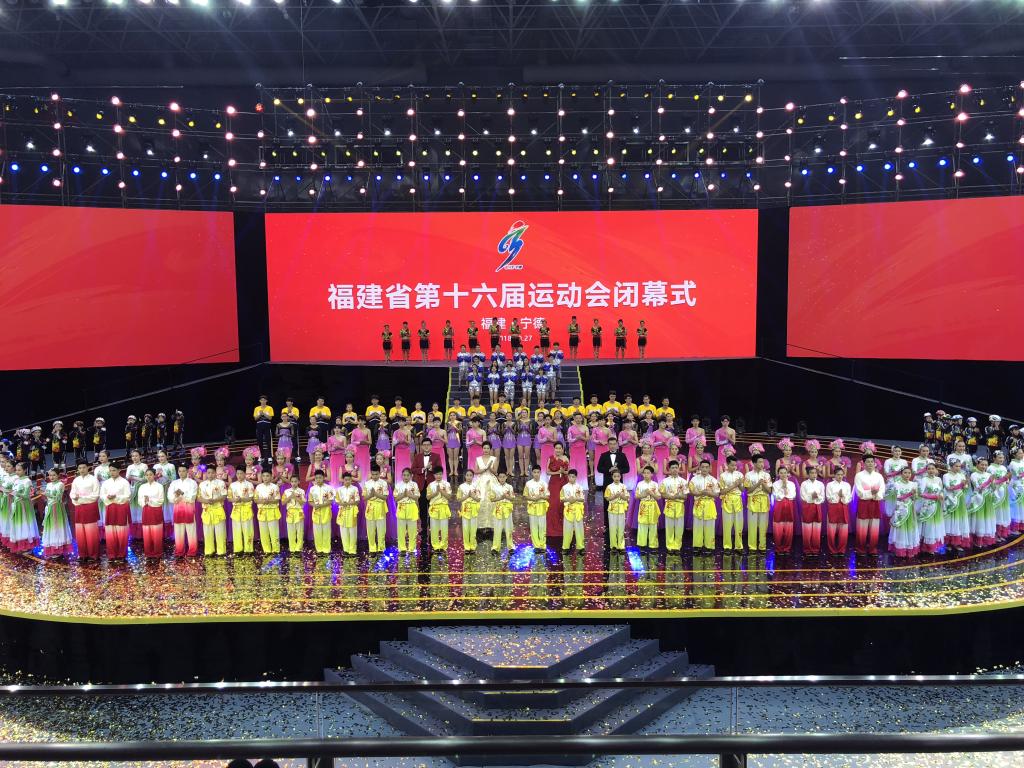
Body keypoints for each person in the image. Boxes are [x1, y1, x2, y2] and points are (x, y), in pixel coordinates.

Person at [853, 456, 885, 554]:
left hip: (875, 503)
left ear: (875, 464)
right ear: (863, 464)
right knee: (862, 528)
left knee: (874, 528)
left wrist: (876, 495)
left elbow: (882, 490)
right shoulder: (859, 476)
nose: (870, 463)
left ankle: (872, 549)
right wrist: (872, 493)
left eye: (872, 462)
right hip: (864, 504)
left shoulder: (879, 476)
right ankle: (860, 549)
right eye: (868, 462)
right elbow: (860, 492)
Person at [69, 460, 101, 559]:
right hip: (79, 508)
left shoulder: (93, 479)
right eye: (80, 468)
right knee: (80, 532)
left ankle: (93, 554)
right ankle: (83, 554)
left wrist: (81, 499)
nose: (82, 470)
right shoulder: (76, 480)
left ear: (88, 468)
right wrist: (74, 498)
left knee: (91, 533)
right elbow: (72, 493)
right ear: (77, 469)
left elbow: (96, 495)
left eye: (84, 467)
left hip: (90, 507)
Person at [888, 466, 920, 559]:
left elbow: (915, 498)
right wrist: (910, 493)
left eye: (909, 473)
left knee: (910, 528)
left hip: (910, 508)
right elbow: (899, 497)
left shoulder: (914, 484)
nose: (907, 475)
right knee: (900, 528)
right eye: (905, 473)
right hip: (900, 509)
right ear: (901, 474)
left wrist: (914, 495)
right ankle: (899, 548)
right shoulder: (897, 484)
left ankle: (909, 548)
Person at [100, 464, 130, 560]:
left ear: (119, 470)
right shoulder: (106, 483)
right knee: (110, 532)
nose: (112, 472)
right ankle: (112, 554)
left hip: (121, 508)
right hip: (110, 508)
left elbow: (127, 496)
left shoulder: (124, 482)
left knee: (122, 532)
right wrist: (108, 497)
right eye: (110, 470)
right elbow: (102, 495)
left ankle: (122, 554)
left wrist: (115, 498)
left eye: (114, 470)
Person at [41, 468, 73, 558]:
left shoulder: (60, 484)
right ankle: (52, 547)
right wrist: (45, 498)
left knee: (57, 527)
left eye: (54, 475)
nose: (51, 477)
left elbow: (58, 498)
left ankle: (59, 548)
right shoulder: (48, 485)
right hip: (50, 507)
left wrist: (46, 494)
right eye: (50, 475)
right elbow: (47, 498)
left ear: (58, 475)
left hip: (57, 508)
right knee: (51, 528)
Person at [168, 465, 199, 557]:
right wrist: (174, 499)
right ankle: (179, 550)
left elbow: (192, 497)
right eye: (180, 471)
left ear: (187, 471)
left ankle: (192, 551)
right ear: (178, 472)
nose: (181, 473)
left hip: (189, 509)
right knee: (178, 531)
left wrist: (181, 496)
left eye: (183, 471)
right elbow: (170, 495)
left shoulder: (192, 482)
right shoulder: (174, 483)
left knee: (191, 531)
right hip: (177, 509)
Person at [199, 467, 229, 557]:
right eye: (208, 473)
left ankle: (221, 551)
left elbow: (224, 495)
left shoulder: (221, 483)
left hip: (218, 509)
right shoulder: (202, 484)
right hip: (207, 510)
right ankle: (209, 551)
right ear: (206, 474)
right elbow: (198, 497)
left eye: (212, 472)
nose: (210, 474)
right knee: (207, 531)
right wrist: (206, 501)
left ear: (215, 473)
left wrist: (215, 500)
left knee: (220, 531)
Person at [943, 457, 971, 551]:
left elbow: (965, 487)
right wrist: (961, 485)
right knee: (950, 520)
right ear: (951, 466)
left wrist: (967, 483)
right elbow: (948, 488)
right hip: (950, 500)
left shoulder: (961, 475)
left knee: (958, 520)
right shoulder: (946, 476)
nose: (958, 468)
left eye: (959, 466)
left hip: (959, 498)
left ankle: (956, 542)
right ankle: (948, 543)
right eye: (956, 466)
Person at [661, 459, 689, 551]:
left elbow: (685, 496)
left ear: (679, 468)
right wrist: (670, 497)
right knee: (669, 527)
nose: (674, 469)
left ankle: (677, 546)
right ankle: (669, 546)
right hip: (669, 505)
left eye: (676, 467)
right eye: (672, 468)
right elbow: (662, 494)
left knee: (679, 528)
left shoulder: (683, 482)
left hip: (679, 506)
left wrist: (678, 496)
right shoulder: (665, 481)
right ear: (669, 469)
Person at [137, 467, 165, 558]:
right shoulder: (142, 487)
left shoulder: (159, 486)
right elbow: (139, 500)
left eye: (150, 475)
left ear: (154, 475)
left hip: (156, 511)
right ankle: (148, 552)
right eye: (147, 475)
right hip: (146, 510)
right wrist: (145, 501)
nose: (148, 476)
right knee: (147, 532)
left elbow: (161, 500)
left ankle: (157, 552)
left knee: (157, 533)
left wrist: (150, 500)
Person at [918, 462, 945, 555]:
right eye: (929, 469)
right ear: (926, 470)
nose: (931, 470)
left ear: (936, 470)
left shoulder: (938, 479)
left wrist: (941, 496)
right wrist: (933, 497)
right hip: (928, 505)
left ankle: (934, 545)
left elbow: (941, 491)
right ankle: (928, 546)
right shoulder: (924, 479)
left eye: (933, 468)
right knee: (929, 526)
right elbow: (920, 493)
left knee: (935, 525)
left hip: (937, 505)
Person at [719, 455, 745, 551]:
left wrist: (740, 484)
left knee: (739, 525)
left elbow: (742, 490)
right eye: (732, 465)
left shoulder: (740, 475)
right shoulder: (722, 476)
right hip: (727, 501)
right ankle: (727, 546)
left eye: (735, 465)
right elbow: (722, 491)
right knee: (727, 525)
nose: (734, 467)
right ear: (727, 464)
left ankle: (739, 546)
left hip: (738, 501)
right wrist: (734, 485)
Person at [825, 465, 852, 554]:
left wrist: (843, 497)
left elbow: (849, 498)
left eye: (841, 474)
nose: (840, 476)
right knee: (831, 531)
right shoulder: (829, 485)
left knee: (843, 531)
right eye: (838, 474)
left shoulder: (847, 485)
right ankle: (832, 550)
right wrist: (837, 496)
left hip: (843, 508)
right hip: (833, 508)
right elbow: (829, 498)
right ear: (834, 475)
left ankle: (841, 550)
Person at [229, 467, 256, 554]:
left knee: (248, 529)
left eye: (241, 473)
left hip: (246, 509)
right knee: (236, 530)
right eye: (238, 474)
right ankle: (238, 549)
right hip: (236, 509)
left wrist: (242, 499)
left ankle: (249, 549)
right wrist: (234, 500)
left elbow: (252, 497)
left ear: (244, 474)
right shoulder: (232, 485)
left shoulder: (249, 484)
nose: (239, 475)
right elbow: (229, 498)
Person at [473, 443, 500, 531]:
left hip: (491, 480)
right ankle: (481, 523)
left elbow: (495, 472)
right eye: (484, 448)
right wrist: (485, 469)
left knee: (491, 500)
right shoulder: (478, 459)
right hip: (480, 480)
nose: (486, 450)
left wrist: (489, 468)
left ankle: (492, 523)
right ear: (482, 449)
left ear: (490, 449)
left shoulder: (494, 459)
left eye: (488, 448)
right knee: (481, 500)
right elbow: (475, 471)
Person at [363, 466, 390, 553]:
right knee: (370, 530)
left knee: (381, 529)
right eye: (373, 474)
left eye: (376, 474)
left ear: (379, 473)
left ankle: (381, 547)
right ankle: (372, 548)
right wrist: (371, 495)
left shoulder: (384, 483)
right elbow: (364, 498)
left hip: (380, 506)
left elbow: (385, 497)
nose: (374, 476)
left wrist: (375, 494)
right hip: (370, 507)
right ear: (371, 473)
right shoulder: (367, 483)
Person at [634, 465, 662, 550]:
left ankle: (653, 545)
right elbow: (636, 496)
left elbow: (658, 497)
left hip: (653, 505)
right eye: (644, 473)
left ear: (652, 474)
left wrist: (651, 493)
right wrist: (644, 494)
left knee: (653, 525)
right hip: (643, 505)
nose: (646, 475)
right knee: (642, 524)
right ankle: (642, 545)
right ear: (642, 474)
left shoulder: (655, 484)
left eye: (648, 473)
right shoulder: (640, 484)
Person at [799, 465, 825, 555]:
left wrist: (817, 497)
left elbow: (823, 497)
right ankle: (807, 549)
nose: (814, 475)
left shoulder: (820, 484)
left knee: (817, 529)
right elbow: (803, 496)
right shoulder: (804, 484)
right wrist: (811, 497)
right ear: (808, 474)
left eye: (815, 473)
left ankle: (816, 549)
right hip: (808, 507)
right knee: (807, 529)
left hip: (817, 506)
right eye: (812, 473)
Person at [393, 467, 420, 553]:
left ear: (411, 476)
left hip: (411, 507)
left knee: (412, 530)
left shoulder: (414, 485)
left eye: (408, 475)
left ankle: (412, 548)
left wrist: (409, 495)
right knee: (401, 530)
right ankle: (402, 548)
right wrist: (403, 495)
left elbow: (417, 497)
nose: (406, 477)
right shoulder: (398, 485)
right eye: (404, 475)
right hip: (401, 507)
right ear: (402, 476)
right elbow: (396, 499)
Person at [426, 468, 453, 552]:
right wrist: (435, 493)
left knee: (444, 529)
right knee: (434, 529)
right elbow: (427, 497)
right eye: (437, 474)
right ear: (434, 475)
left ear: (442, 474)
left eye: (440, 474)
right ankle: (436, 546)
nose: (438, 476)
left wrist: (441, 491)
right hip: (434, 508)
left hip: (443, 508)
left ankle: (443, 546)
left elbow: (449, 497)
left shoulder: (447, 484)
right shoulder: (430, 485)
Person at [771, 466, 797, 554]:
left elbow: (792, 496)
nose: (783, 475)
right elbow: (776, 496)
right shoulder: (775, 484)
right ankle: (778, 549)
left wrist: (785, 489)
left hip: (789, 507)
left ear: (787, 474)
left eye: (785, 473)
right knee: (778, 530)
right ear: (778, 474)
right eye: (781, 473)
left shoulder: (792, 484)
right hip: (779, 507)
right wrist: (783, 488)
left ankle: (787, 548)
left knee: (789, 529)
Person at [559, 469, 586, 551]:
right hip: (568, 510)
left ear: (576, 477)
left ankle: (581, 547)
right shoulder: (564, 487)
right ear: (568, 477)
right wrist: (568, 499)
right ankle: (565, 547)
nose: (571, 478)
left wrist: (575, 499)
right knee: (567, 529)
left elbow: (582, 499)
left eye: (573, 477)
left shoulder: (579, 487)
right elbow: (561, 499)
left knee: (579, 529)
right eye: (570, 477)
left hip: (577, 510)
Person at [988, 451, 1012, 541]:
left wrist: (1007, 480)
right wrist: (1004, 479)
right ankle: (995, 534)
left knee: (1003, 513)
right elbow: (991, 483)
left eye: (1003, 458)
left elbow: (1007, 481)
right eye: (999, 457)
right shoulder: (990, 468)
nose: (1002, 459)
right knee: (997, 513)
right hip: (995, 493)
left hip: (1003, 492)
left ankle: (1001, 533)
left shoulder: (1004, 468)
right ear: (994, 458)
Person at [524, 466, 549, 549]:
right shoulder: (528, 484)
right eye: (534, 472)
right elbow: (525, 495)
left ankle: (542, 545)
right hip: (532, 507)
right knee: (533, 527)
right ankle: (536, 546)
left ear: (540, 473)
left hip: (541, 506)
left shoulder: (544, 483)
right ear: (532, 473)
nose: (536, 474)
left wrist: (540, 497)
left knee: (542, 526)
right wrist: (533, 499)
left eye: (538, 472)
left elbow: (547, 496)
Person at [125, 450, 148, 540]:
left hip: (141, 489)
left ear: (140, 456)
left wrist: (134, 477)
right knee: (133, 511)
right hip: (133, 490)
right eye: (133, 456)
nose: (134, 458)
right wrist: (133, 478)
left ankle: (142, 533)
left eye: (136, 456)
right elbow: (127, 477)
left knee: (141, 510)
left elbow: (145, 479)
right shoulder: (130, 467)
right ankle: (134, 534)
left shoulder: (144, 466)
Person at [604, 468, 630, 551]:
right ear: (612, 477)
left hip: (621, 509)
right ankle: (613, 545)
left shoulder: (623, 486)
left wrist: (621, 496)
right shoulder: (609, 487)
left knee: (621, 527)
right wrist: (615, 496)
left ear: (620, 477)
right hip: (612, 509)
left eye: (618, 476)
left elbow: (626, 498)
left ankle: (621, 545)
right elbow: (607, 498)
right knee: (612, 527)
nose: (616, 478)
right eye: (615, 476)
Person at [456, 469, 481, 553]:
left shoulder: (476, 486)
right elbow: (459, 499)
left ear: (473, 476)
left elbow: (478, 499)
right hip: (465, 509)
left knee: (473, 529)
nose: (469, 477)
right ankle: (467, 547)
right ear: (465, 476)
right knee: (466, 529)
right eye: (467, 475)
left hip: (474, 508)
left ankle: (472, 546)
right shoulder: (461, 486)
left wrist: (472, 496)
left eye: (471, 475)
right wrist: (467, 496)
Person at [491, 470, 516, 552]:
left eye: (503, 477)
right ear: (498, 477)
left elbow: (512, 498)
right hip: (498, 509)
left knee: (509, 528)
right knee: (497, 528)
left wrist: (506, 497)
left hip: (507, 509)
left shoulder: (509, 487)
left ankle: (511, 547)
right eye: (500, 477)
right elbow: (492, 499)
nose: (502, 479)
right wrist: (501, 498)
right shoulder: (494, 487)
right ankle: (495, 547)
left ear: (506, 477)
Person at [253, 396, 275, 460]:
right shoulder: (256, 408)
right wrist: (260, 414)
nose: (263, 401)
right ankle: (262, 456)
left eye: (264, 400)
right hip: (259, 426)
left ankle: (269, 456)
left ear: (266, 401)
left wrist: (263, 413)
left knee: (268, 441)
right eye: (261, 400)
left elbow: (270, 418)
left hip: (267, 426)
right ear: (260, 401)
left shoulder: (270, 408)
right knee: (259, 441)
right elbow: (255, 418)